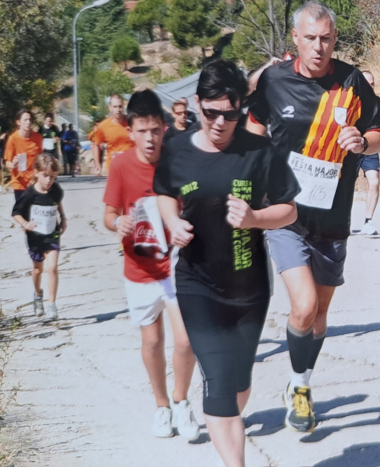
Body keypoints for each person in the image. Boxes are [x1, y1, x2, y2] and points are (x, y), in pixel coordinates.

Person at [246, 0, 380, 433]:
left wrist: (362, 142)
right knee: (303, 306)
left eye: (326, 38)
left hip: (333, 216)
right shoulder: (273, 81)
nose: (319, 47)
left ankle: (301, 382)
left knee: (319, 316)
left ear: (335, 39)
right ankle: (300, 388)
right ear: (296, 40)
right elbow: (251, 135)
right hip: (285, 214)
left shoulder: (352, 81)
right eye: (310, 38)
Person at [156, 60, 299, 467]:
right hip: (197, 282)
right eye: (211, 112)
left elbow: (288, 210)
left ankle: (224, 409)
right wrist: (172, 222)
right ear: (197, 105)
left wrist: (255, 218)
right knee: (219, 387)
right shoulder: (178, 148)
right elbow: (165, 191)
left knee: (237, 386)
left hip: (248, 288)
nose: (220, 122)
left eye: (230, 113)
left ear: (241, 109)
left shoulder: (259, 152)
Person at [103, 89, 199, 440]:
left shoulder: (177, 163)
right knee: (153, 341)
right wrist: (119, 224)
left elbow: (193, 207)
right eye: (142, 130)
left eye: (155, 130)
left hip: (176, 266)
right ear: (131, 130)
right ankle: (161, 406)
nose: (149, 138)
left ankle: (181, 401)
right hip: (140, 268)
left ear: (165, 128)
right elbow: (109, 214)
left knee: (186, 341)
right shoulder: (121, 166)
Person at [12, 153, 67, 321]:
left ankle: (51, 304)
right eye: (45, 176)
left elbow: (57, 203)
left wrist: (63, 218)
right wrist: (25, 224)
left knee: (52, 268)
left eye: (52, 177)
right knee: (38, 270)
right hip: (35, 237)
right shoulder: (30, 194)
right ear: (36, 172)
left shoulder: (56, 190)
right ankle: (37, 294)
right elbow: (16, 212)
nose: (49, 180)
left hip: (52, 234)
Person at [357, 70, 380, 235]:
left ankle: (368, 221)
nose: (370, 87)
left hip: (369, 148)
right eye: (367, 84)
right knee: (343, 188)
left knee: (374, 182)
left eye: (372, 84)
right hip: (350, 150)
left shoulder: (376, 103)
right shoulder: (347, 101)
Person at [4, 110, 44, 205]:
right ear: (18, 122)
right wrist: (13, 164)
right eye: (25, 120)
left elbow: (42, 159)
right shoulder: (12, 139)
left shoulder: (38, 137)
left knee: (36, 212)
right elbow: (7, 163)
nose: (28, 122)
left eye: (30, 120)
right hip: (19, 183)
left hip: (34, 181)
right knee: (22, 213)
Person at [90, 93, 134, 176]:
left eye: (120, 106)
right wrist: (97, 164)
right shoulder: (103, 126)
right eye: (115, 107)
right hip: (114, 169)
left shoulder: (132, 122)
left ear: (123, 107)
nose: (118, 110)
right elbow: (96, 144)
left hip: (132, 167)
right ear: (110, 108)